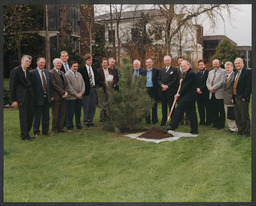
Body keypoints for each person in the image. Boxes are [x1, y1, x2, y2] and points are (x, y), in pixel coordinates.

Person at [165, 60, 198, 134]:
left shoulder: (191, 73)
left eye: (184, 66)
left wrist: (178, 94)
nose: (183, 68)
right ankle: (194, 130)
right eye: (182, 67)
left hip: (188, 97)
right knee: (192, 113)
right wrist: (182, 81)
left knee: (178, 110)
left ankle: (172, 126)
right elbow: (186, 83)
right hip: (190, 97)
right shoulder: (187, 73)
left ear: (188, 66)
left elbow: (186, 86)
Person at [9, 55, 35, 141]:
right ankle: (24, 136)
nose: (28, 63)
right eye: (26, 61)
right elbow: (12, 86)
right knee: (23, 117)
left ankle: (27, 133)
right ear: (22, 61)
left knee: (30, 116)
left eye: (29, 62)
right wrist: (14, 100)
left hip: (30, 98)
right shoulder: (16, 71)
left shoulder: (29, 73)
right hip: (21, 98)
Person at [30, 57, 54, 137]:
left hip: (46, 97)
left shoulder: (47, 72)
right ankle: (36, 132)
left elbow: (49, 85)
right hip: (37, 98)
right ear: (37, 63)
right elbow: (31, 87)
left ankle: (45, 131)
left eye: (44, 62)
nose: (42, 64)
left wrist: (51, 95)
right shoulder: (32, 73)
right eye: (41, 62)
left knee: (46, 116)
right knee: (37, 116)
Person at [232, 58, 252, 137]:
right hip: (235, 97)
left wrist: (244, 97)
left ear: (242, 63)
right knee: (237, 116)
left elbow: (249, 86)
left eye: (238, 63)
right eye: (236, 63)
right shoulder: (236, 72)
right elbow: (234, 85)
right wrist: (233, 97)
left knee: (244, 116)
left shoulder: (247, 72)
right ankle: (240, 130)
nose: (237, 65)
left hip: (242, 98)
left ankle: (246, 132)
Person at [158, 55, 179, 126]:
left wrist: (167, 86)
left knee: (171, 107)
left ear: (170, 61)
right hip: (163, 91)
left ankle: (173, 122)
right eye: (165, 61)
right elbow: (158, 79)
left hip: (170, 91)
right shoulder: (161, 70)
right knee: (163, 107)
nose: (167, 62)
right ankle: (164, 120)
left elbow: (174, 80)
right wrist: (162, 85)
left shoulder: (174, 70)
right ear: (164, 61)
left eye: (168, 61)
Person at [65, 61, 85, 131]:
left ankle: (78, 125)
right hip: (71, 97)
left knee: (78, 112)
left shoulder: (79, 74)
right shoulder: (67, 74)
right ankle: (69, 127)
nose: (75, 68)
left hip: (79, 97)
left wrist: (81, 93)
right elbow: (68, 86)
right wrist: (75, 94)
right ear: (70, 67)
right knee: (70, 113)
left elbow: (83, 84)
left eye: (76, 66)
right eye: (74, 66)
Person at [49, 58, 68, 133]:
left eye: (60, 63)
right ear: (54, 64)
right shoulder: (51, 72)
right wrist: (63, 92)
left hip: (63, 97)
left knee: (62, 113)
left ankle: (61, 128)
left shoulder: (62, 73)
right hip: (56, 96)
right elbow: (54, 85)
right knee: (56, 114)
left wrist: (66, 92)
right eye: (57, 63)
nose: (59, 65)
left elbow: (66, 84)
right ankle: (54, 128)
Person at [78, 54, 97, 127]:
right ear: (85, 61)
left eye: (91, 60)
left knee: (92, 106)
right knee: (86, 106)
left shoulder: (94, 69)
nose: (90, 61)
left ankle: (90, 120)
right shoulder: (82, 70)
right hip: (86, 90)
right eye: (89, 60)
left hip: (93, 89)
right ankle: (85, 121)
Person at [206, 59, 226, 130]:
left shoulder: (223, 71)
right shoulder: (210, 72)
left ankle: (221, 125)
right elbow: (207, 81)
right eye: (214, 64)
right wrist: (210, 88)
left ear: (219, 64)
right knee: (213, 109)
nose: (215, 65)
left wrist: (214, 87)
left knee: (221, 110)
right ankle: (215, 123)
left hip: (219, 93)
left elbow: (222, 81)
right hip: (211, 94)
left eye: (216, 64)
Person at [97, 58, 117, 123]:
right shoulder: (98, 70)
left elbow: (115, 79)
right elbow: (97, 80)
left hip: (110, 89)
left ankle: (109, 119)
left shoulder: (111, 70)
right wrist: (104, 84)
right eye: (104, 63)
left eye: (106, 62)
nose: (105, 64)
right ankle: (102, 120)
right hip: (102, 89)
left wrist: (111, 83)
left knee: (110, 104)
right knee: (102, 105)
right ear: (101, 63)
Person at [140, 58, 159, 125]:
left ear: (152, 63)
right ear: (145, 64)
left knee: (154, 106)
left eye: (150, 62)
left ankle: (155, 121)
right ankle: (147, 121)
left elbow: (158, 80)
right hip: (146, 90)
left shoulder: (156, 71)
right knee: (146, 106)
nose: (149, 63)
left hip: (153, 90)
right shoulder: (143, 72)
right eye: (147, 62)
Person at [223, 61, 238, 133]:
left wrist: (233, 98)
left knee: (231, 113)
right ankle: (231, 127)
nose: (227, 69)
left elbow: (234, 88)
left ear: (232, 67)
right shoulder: (226, 75)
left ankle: (234, 128)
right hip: (225, 98)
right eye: (226, 68)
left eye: (228, 67)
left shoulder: (234, 75)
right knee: (227, 113)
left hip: (231, 98)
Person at [196, 59, 210, 125]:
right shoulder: (197, 74)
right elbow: (195, 83)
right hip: (198, 94)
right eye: (199, 65)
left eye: (202, 65)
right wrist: (197, 89)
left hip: (206, 93)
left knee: (207, 108)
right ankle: (202, 121)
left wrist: (201, 89)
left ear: (205, 65)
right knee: (200, 108)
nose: (200, 66)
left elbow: (208, 83)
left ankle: (208, 121)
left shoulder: (209, 73)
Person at [176, 56, 189, 125]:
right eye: (179, 61)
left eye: (181, 60)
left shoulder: (188, 69)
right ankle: (181, 120)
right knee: (179, 106)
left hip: (186, 90)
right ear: (178, 62)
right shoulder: (176, 69)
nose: (180, 62)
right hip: (178, 90)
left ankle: (187, 119)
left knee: (187, 106)